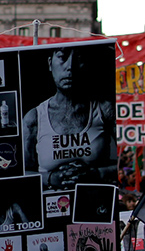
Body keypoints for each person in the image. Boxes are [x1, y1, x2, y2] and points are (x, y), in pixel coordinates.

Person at [22, 46, 116, 189]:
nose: (70, 67)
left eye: (79, 58)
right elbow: (23, 173)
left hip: (97, 204)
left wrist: (95, 173)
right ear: (49, 63)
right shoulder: (34, 117)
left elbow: (128, 166)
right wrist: (52, 178)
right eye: (62, 57)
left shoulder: (105, 110)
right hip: (51, 206)